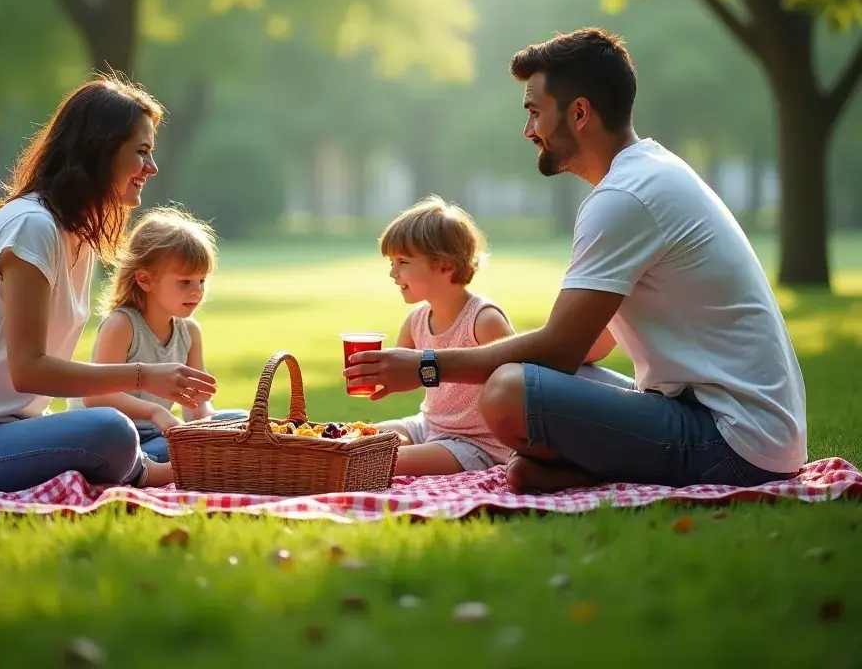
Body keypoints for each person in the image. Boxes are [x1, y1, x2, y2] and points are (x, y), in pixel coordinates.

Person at [345, 28, 807, 493]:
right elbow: (589, 345)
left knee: (509, 391)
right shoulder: (648, 173)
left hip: (735, 441)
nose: (529, 131)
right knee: (531, 387)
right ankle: (584, 467)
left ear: (580, 113)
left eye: (534, 113)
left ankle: (592, 464)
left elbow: (561, 348)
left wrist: (426, 365)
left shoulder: (624, 197)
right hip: (725, 422)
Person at [0, 76, 217, 492]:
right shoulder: (32, 228)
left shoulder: (76, 235)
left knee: (226, 424)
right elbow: (28, 371)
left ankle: (188, 456)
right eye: (141, 152)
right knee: (112, 430)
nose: (151, 168)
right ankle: (160, 472)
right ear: (100, 150)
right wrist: (144, 376)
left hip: (15, 432)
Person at [373, 196, 514, 476]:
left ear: (445, 266)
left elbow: (516, 387)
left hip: (476, 443)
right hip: (427, 426)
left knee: (381, 461)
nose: (392, 272)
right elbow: (406, 373)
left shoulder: (484, 321)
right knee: (356, 439)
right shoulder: (416, 321)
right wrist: (376, 373)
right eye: (391, 262)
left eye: (402, 262)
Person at [76, 206, 221, 466]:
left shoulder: (189, 332)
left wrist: (208, 426)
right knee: (158, 450)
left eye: (201, 281)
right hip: (108, 435)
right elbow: (96, 396)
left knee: (237, 422)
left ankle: (167, 462)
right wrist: (154, 412)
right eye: (184, 282)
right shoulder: (122, 326)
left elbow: (195, 404)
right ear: (145, 280)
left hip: (155, 436)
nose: (197, 291)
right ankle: (149, 466)